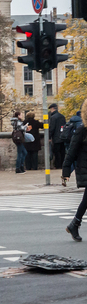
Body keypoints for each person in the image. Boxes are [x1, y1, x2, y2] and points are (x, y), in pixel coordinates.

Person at [61, 100, 87, 242]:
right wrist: (66, 171)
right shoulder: (82, 130)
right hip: (85, 168)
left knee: (86, 200)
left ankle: (74, 224)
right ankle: (74, 224)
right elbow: (71, 151)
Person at [49, 103, 67, 169]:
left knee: (57, 152)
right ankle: (63, 164)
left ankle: (58, 165)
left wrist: (49, 137)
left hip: (56, 137)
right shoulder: (62, 116)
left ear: (52, 109)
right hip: (63, 136)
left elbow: (52, 128)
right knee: (62, 152)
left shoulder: (53, 117)